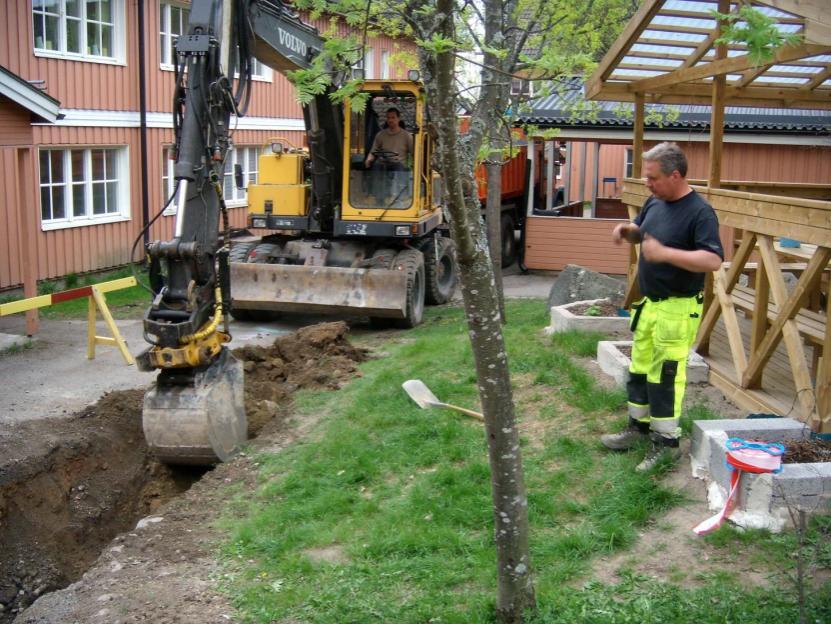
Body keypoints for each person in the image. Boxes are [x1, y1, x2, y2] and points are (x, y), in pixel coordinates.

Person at [602, 142, 724, 472]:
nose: (648, 183)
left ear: (675, 175)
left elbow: (713, 259)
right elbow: (645, 231)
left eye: (653, 177)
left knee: (665, 376)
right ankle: (638, 428)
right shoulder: (656, 200)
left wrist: (667, 254)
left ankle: (666, 443)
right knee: (640, 368)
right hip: (650, 305)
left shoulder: (700, 212)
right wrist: (629, 232)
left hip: (678, 308)